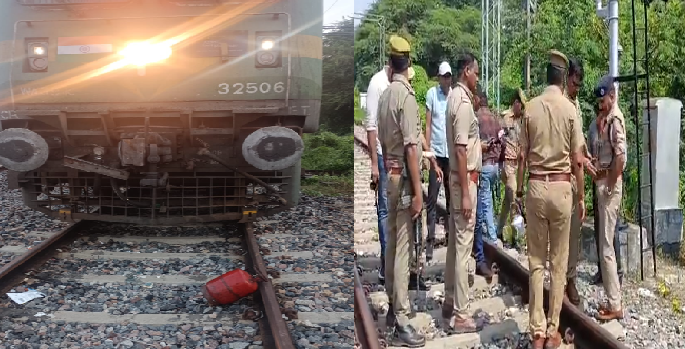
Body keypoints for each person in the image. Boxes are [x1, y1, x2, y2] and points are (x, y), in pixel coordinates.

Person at [516, 50, 586, 349]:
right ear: (563, 78)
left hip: (535, 189)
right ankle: (553, 329)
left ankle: (535, 330)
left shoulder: (529, 108)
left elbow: (521, 156)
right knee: (558, 264)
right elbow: (579, 161)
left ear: (546, 76)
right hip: (561, 191)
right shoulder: (570, 110)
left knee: (535, 263)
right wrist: (581, 197)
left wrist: (518, 191)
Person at [376, 35, 426, 347]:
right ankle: (402, 319)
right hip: (405, 181)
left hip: (390, 177)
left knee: (394, 245)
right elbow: (411, 146)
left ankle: (393, 312)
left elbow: (383, 144)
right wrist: (418, 191)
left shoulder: (383, 96)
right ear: (408, 62)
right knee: (403, 248)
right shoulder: (405, 98)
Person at [442, 52, 483, 334]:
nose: (478, 78)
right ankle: (461, 314)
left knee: (456, 243)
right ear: (466, 71)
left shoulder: (453, 99)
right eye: (476, 73)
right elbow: (459, 148)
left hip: (459, 177)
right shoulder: (463, 103)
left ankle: (449, 298)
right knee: (463, 244)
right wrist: (467, 192)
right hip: (464, 180)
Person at [586, 75, 626, 322]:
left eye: (604, 100)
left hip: (609, 186)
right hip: (602, 181)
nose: (601, 105)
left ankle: (615, 304)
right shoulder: (605, 120)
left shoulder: (616, 121)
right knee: (605, 244)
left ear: (612, 95)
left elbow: (620, 157)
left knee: (607, 248)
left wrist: (610, 184)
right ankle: (613, 299)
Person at [564, 57, 594, 305]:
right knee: (561, 235)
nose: (577, 88)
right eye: (574, 83)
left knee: (573, 234)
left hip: (577, 175)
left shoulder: (576, 104)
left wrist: (586, 156)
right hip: (564, 176)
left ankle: (570, 279)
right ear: (566, 78)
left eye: (579, 85)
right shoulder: (561, 104)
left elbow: (579, 140)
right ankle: (561, 281)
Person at [364, 58, 392, 285]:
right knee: (384, 210)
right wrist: (374, 163)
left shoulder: (399, 82)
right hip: (383, 157)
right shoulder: (377, 84)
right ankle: (385, 263)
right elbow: (371, 125)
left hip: (398, 158)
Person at [425, 61, 453, 262]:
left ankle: (451, 237)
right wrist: (428, 154)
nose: (447, 79)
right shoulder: (431, 95)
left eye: (449, 76)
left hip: (450, 154)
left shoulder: (454, 96)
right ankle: (430, 239)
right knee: (432, 199)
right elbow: (427, 126)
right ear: (438, 77)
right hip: (436, 152)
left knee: (452, 198)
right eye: (444, 76)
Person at [472, 87, 498, 279]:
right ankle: (492, 233)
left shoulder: (476, 117)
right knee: (489, 200)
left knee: (484, 203)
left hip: (483, 165)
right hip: (497, 164)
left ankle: (492, 235)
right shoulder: (495, 117)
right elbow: (502, 140)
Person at [497, 88, 527, 240]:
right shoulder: (505, 118)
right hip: (507, 165)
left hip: (516, 166)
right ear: (515, 103)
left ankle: (498, 230)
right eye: (520, 105)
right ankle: (519, 238)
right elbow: (498, 138)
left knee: (508, 200)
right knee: (515, 199)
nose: (522, 108)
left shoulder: (521, 120)